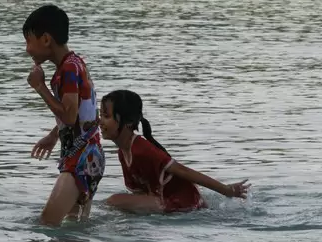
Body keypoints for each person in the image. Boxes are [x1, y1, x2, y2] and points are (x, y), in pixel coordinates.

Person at [98, 89, 249, 213]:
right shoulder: (123, 153)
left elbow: (184, 171)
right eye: (100, 116)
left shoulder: (141, 149)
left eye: (106, 116)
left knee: (113, 201)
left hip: (182, 202)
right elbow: (140, 193)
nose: (100, 121)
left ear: (128, 122)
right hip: (165, 201)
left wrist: (226, 190)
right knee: (119, 205)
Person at [22, 4, 103, 226]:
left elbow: (69, 116)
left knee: (47, 223)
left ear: (46, 39)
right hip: (87, 157)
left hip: (81, 159)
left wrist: (40, 88)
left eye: (29, 41)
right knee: (72, 233)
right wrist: (54, 135)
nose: (27, 49)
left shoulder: (68, 69)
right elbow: (81, 115)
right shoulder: (73, 64)